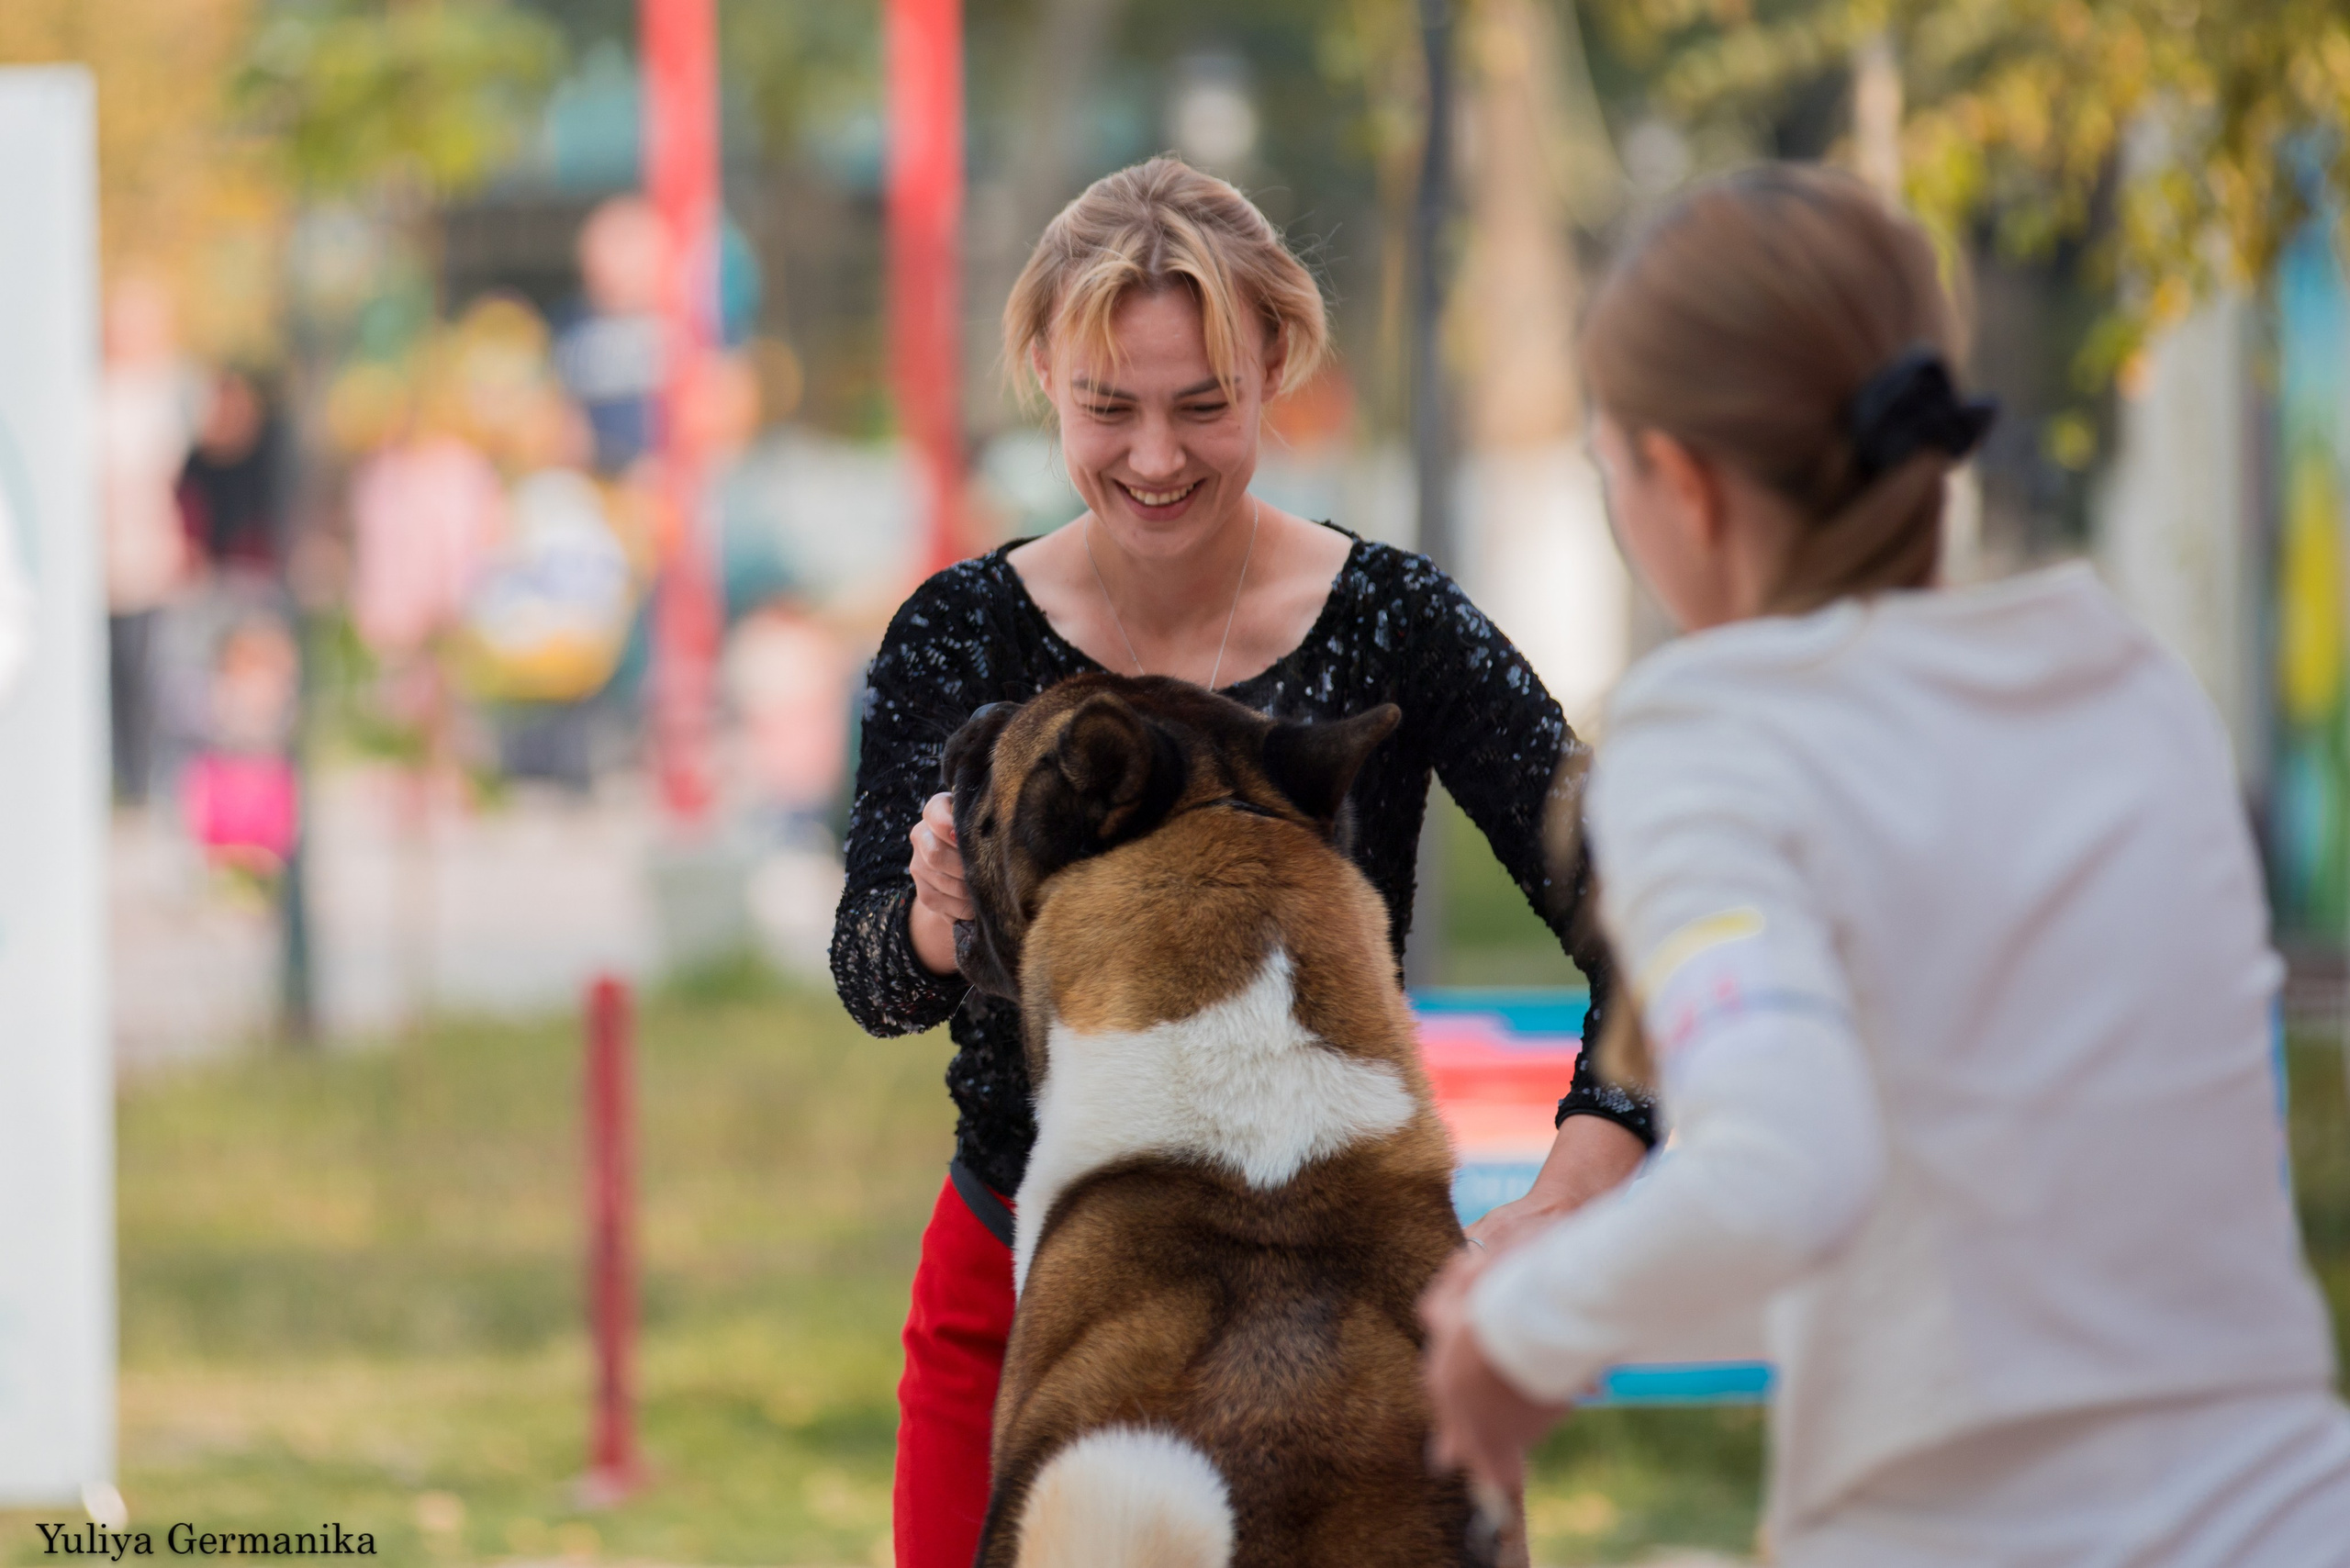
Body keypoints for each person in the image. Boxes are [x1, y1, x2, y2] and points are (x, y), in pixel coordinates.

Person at [1420, 163, 2350, 1566]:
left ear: (1682, 483)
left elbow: (1788, 1169)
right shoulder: (2127, 687)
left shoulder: (1712, 735)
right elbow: (1938, 1245)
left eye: (1608, 466)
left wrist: (1514, 1333)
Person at [830, 155, 1654, 1568]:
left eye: (1204, 405)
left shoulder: (1397, 619)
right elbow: (873, 981)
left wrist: (1573, 1188)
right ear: (1043, 373)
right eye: (1111, 408)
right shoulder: (959, 631)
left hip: (1351, 1322)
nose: (1157, 458)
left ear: (1278, 365)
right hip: (1033, 1292)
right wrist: (936, 917)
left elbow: (1651, 925)